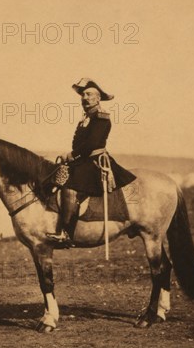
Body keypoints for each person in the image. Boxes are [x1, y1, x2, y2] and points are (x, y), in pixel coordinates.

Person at [46, 78, 136, 245]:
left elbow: (92, 144)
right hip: (83, 160)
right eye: (82, 95)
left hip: (94, 161)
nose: (84, 97)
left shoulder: (101, 118)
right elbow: (78, 142)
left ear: (98, 98)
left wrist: (72, 155)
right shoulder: (85, 119)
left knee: (70, 187)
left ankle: (66, 232)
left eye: (88, 94)